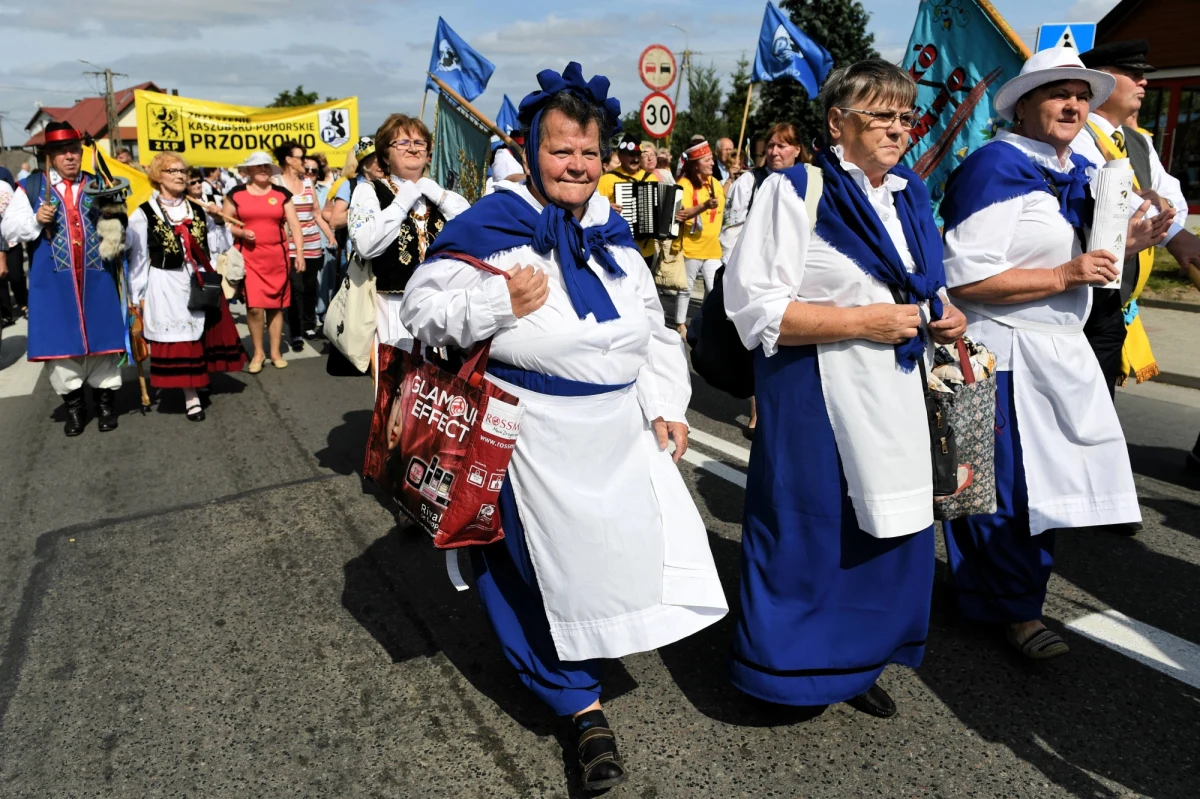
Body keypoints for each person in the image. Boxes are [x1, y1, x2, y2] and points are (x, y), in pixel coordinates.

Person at [400, 62, 726, 792]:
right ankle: (578, 707)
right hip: (529, 436)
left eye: (589, 152)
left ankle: (588, 652)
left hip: (614, 431)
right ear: (530, 150)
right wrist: (496, 306)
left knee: (607, 560)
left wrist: (667, 403)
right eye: (561, 150)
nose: (576, 165)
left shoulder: (611, 229)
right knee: (529, 575)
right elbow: (419, 312)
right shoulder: (492, 224)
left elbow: (652, 330)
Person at [724, 59, 966, 718]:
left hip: (895, 392)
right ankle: (787, 671)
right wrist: (868, 321)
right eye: (880, 115)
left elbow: (924, 285)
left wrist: (946, 313)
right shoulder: (795, 189)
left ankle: (855, 660)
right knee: (813, 535)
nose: (897, 129)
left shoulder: (910, 193)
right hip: (816, 392)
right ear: (837, 122)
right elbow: (756, 310)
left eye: (904, 117)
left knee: (885, 538)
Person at [940, 48, 1146, 659]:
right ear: (1024, 105)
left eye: (1081, 95)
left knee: (1039, 489)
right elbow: (964, 282)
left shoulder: (1074, 170)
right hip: (1001, 356)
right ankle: (1016, 612)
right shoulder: (994, 167)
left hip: (1055, 351)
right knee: (1005, 491)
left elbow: (1084, 256)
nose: (1073, 104)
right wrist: (1065, 274)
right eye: (1057, 93)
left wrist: (1128, 239)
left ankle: (996, 595)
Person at [1073, 40, 1197, 393]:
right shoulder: (1077, 133)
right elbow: (1115, 199)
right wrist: (1163, 219)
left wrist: (1159, 209)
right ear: (1100, 81)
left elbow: (1171, 198)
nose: (1143, 82)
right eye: (1132, 74)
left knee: (1101, 402)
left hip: (1116, 298)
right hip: (1084, 292)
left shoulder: (1137, 140)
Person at [0, 122, 129, 435]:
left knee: (104, 344)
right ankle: (75, 406)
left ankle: (105, 404)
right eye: (62, 152)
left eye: (74, 150)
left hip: (97, 278)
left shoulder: (99, 183)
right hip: (53, 283)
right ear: (51, 156)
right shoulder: (32, 186)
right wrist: (35, 219)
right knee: (60, 348)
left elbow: (122, 229)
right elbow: (8, 230)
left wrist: (115, 224)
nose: (70, 157)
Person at [126, 154, 247, 421]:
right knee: (180, 339)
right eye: (173, 171)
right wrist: (136, 296)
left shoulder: (199, 208)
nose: (181, 175)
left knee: (200, 333)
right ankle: (190, 395)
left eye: (183, 171)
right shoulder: (143, 214)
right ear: (159, 176)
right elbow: (138, 258)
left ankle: (199, 378)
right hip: (166, 283)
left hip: (199, 279)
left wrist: (217, 220)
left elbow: (218, 244)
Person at [349, 114, 469, 367]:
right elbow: (366, 245)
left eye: (419, 142)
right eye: (402, 143)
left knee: (440, 388)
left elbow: (471, 228)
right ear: (384, 155)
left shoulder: (438, 195)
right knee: (399, 389)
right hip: (394, 308)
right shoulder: (369, 191)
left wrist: (436, 193)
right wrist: (402, 201)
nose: (413, 148)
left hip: (441, 305)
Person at [721, 122, 811, 439]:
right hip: (754, 282)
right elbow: (732, 228)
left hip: (795, 283)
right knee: (759, 347)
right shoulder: (751, 180)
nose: (774, 151)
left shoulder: (810, 185)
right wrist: (734, 271)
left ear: (798, 149)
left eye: (782, 145)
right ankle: (758, 414)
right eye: (770, 145)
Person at [224, 151, 306, 373]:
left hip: (277, 258)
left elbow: (295, 225)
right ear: (248, 170)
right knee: (254, 308)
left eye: (266, 166)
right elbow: (224, 224)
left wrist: (299, 252)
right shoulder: (236, 194)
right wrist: (240, 233)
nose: (263, 170)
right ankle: (258, 352)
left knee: (276, 307)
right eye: (258, 166)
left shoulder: (281, 194)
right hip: (249, 258)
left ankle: (275, 352)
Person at [274, 140, 334, 349]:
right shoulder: (276, 183)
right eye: (300, 157)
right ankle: (296, 331)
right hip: (289, 245)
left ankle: (309, 325)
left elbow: (316, 213)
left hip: (312, 243)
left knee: (310, 287)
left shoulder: (308, 183)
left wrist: (329, 235)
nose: (304, 161)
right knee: (295, 288)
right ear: (289, 160)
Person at [670, 140, 725, 337]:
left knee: (714, 289)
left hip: (713, 247)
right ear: (696, 164)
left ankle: (707, 320)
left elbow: (721, 207)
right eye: (707, 160)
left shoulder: (715, 183)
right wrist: (703, 206)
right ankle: (680, 324)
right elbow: (682, 215)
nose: (712, 163)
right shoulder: (683, 185)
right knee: (686, 288)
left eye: (712, 159)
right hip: (692, 247)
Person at [596, 133, 659, 266]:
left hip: (647, 249)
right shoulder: (606, 180)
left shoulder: (651, 179)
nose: (635, 159)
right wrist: (606, 209)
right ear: (620, 156)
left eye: (638, 155)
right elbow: (591, 209)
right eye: (631, 155)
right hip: (618, 247)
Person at [187, 168, 233, 261]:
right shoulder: (185, 203)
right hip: (199, 251)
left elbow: (224, 223)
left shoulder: (214, 199)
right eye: (193, 183)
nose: (197, 185)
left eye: (199, 181)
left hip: (217, 246)